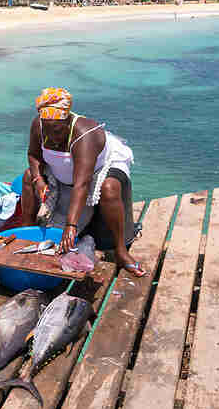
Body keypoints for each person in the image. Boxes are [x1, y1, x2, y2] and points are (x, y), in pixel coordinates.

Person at [21, 87, 145, 277]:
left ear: (67, 120)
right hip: (64, 169)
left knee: (110, 189)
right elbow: (33, 155)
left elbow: (82, 184)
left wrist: (71, 226)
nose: (51, 135)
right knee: (28, 176)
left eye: (56, 129)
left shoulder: (85, 134)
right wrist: (38, 180)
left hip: (98, 168)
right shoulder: (39, 125)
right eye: (47, 128)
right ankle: (25, 235)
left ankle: (121, 251)